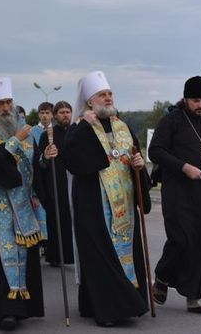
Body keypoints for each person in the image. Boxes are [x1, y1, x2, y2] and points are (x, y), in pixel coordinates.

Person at [64, 70, 151, 327]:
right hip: (94, 204)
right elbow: (73, 160)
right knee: (99, 255)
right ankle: (109, 309)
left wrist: (138, 164)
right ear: (90, 101)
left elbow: (133, 157)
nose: (108, 98)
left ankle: (127, 303)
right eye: (102, 94)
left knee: (124, 253)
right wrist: (83, 125)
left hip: (123, 204)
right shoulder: (80, 127)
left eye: (110, 93)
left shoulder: (122, 126)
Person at [0, 77, 46, 330]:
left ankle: (25, 307)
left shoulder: (24, 129)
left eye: (8, 102)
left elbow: (35, 166)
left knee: (26, 255)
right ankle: (4, 311)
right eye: (0, 103)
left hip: (24, 204)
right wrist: (14, 140)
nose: (5, 107)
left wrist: (46, 160)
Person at [149, 76, 201, 314]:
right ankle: (162, 277)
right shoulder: (172, 120)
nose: (200, 105)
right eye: (195, 100)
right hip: (177, 192)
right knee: (182, 239)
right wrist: (184, 166)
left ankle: (196, 297)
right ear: (185, 99)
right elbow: (155, 151)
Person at [34, 100, 74, 266]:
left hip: (73, 184)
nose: (65, 115)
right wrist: (46, 157)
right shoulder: (48, 135)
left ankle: (74, 255)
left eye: (68, 112)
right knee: (57, 221)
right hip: (55, 186)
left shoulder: (76, 132)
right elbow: (39, 163)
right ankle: (56, 255)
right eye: (62, 112)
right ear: (56, 115)